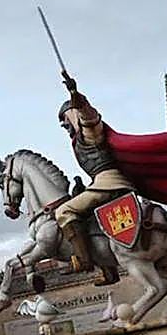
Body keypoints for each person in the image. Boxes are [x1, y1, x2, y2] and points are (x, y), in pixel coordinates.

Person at [53, 79, 129, 286]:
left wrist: (76, 96)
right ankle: (108, 269)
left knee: (63, 212)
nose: (66, 126)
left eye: (66, 121)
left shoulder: (89, 134)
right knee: (86, 218)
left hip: (109, 184)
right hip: (102, 182)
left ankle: (85, 260)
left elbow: (91, 119)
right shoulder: (79, 141)